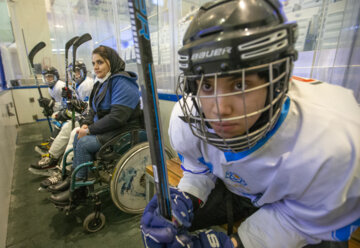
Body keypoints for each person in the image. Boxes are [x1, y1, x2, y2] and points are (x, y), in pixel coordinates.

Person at [140, 1, 360, 248]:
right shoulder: (188, 117)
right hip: (240, 191)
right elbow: (198, 167)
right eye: (207, 85)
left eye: (239, 84)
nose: (220, 109)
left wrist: (234, 244)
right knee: (169, 230)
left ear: (276, 80)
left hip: (305, 207)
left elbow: (303, 221)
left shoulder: (336, 143)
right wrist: (186, 196)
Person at [48, 45, 143, 204]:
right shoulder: (102, 82)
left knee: (84, 143)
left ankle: (79, 190)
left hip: (124, 130)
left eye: (100, 62)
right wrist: (86, 124)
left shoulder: (122, 82)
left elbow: (117, 118)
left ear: (111, 62)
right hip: (109, 129)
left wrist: (91, 130)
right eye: (93, 63)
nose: (96, 67)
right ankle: (73, 179)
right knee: (79, 135)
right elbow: (93, 109)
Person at [29, 61, 94, 178]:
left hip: (90, 118)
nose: (75, 75)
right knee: (66, 126)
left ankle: (63, 166)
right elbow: (78, 105)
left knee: (69, 128)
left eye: (78, 72)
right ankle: (53, 157)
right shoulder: (80, 84)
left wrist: (63, 109)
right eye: (73, 73)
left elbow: (87, 107)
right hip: (86, 116)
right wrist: (70, 98)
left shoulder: (87, 85)